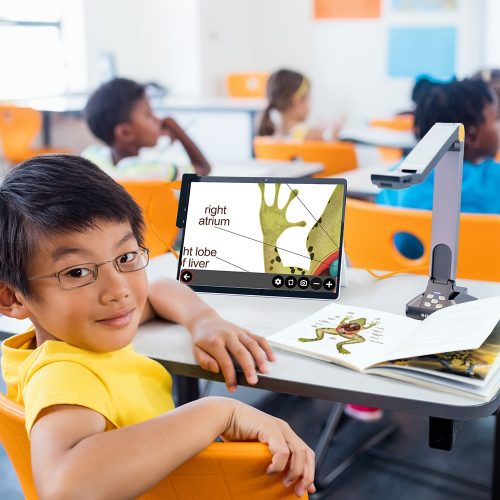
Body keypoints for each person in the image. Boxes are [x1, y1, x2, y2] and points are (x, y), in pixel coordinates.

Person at [0, 154, 315, 499]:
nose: (118, 289)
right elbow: (65, 486)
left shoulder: (81, 330)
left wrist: (203, 320)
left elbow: (159, 289)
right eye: (77, 272)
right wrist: (217, 412)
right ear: (12, 299)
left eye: (125, 257)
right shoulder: (64, 374)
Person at [377, 78, 500, 258]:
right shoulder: (493, 178)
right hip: (485, 280)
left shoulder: (393, 179)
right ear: (472, 135)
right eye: (496, 118)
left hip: (405, 281)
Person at [83, 78, 211, 180]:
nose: (157, 119)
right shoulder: (154, 171)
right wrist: (175, 127)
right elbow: (203, 169)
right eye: (148, 114)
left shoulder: (91, 160)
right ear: (125, 133)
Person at [256, 69, 340, 141]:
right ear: (297, 101)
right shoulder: (308, 136)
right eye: (308, 98)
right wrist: (332, 141)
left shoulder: (269, 137)